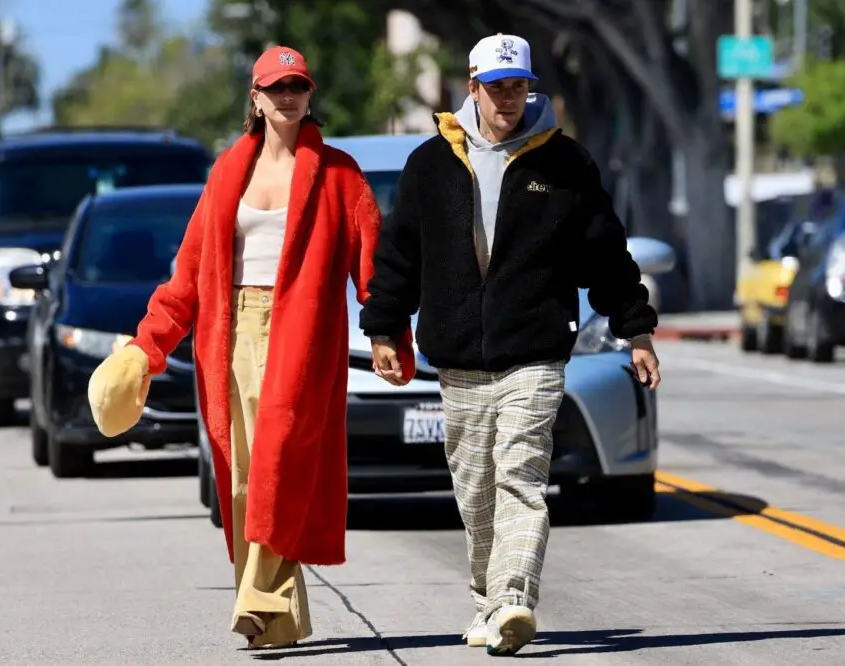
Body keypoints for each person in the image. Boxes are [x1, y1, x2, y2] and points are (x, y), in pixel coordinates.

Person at [86, 45, 415, 649]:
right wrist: (146, 347)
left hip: (302, 337)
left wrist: (386, 331)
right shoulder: (227, 173)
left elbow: (374, 266)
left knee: (278, 464)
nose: (288, 96)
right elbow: (189, 274)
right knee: (241, 479)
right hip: (231, 332)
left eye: (298, 86)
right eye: (277, 87)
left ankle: (258, 598)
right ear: (256, 98)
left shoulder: (339, 174)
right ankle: (277, 622)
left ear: (309, 95)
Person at [359, 33, 662, 656]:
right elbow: (398, 256)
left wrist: (636, 329)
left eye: (519, 86)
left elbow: (605, 252)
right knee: (475, 490)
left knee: (521, 478)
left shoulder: (566, 164)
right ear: (471, 87)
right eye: (497, 88)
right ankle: (487, 599)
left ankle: (514, 599)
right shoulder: (430, 164)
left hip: (536, 350)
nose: (509, 99)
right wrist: (384, 326)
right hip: (459, 356)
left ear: (531, 86)